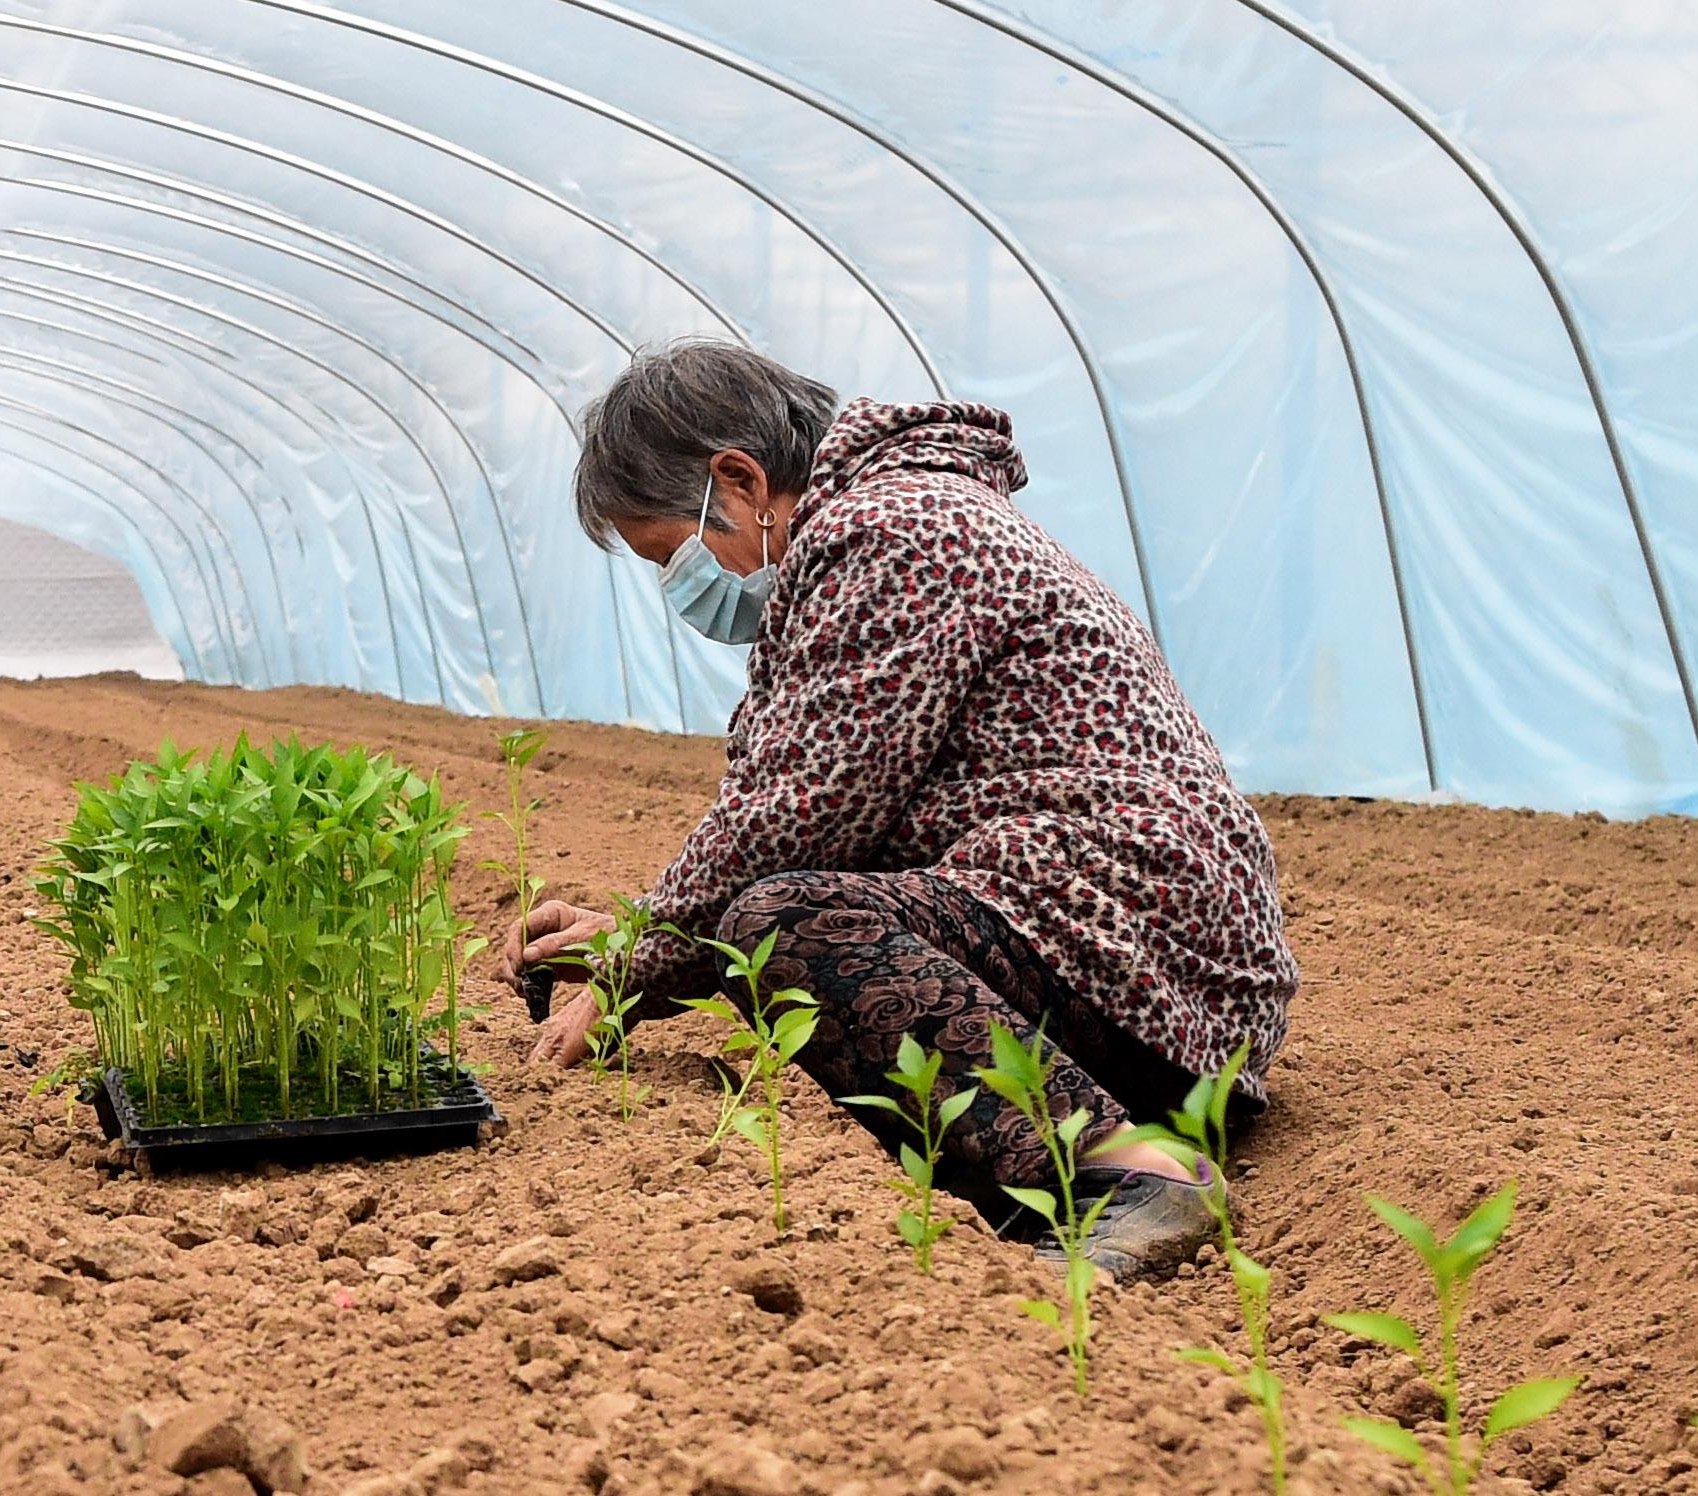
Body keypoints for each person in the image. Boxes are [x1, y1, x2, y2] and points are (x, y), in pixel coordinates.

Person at [511, 342, 1291, 1279]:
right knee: (773, 909)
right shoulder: (898, 517)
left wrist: (638, 965)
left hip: (1137, 950)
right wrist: (641, 933)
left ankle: (1124, 1179)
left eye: (669, 553)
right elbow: (828, 810)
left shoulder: (891, 531)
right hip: (1123, 955)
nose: (680, 587)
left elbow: (792, 816)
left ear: (740, 479)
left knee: (783, 921)